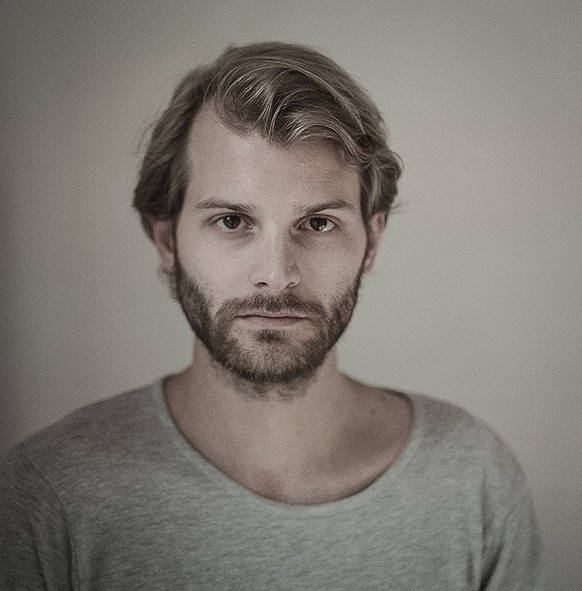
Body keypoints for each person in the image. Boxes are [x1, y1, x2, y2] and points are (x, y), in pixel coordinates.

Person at [0, 42, 544, 590]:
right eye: (232, 221)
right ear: (167, 241)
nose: (277, 275)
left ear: (372, 241)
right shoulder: (50, 495)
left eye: (319, 223)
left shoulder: (472, 480)